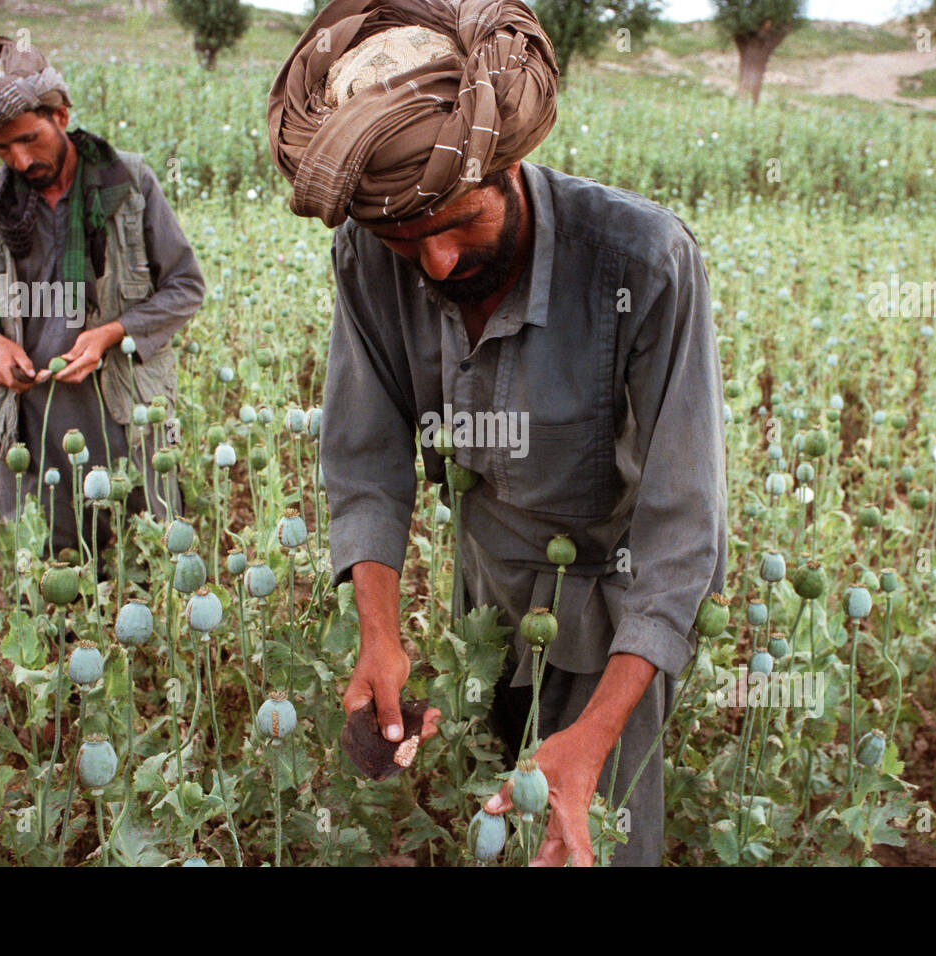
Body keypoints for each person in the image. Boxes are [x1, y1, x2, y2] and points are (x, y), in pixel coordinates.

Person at [268, 0, 727, 866]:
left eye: (454, 225)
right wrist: (379, 635)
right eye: (406, 241)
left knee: (590, 840)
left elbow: (683, 530)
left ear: (510, 164)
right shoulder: (369, 257)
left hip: (613, 608)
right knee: (481, 816)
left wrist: (593, 738)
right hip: (480, 596)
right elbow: (367, 459)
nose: (434, 263)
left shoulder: (644, 261)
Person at [0, 35, 204, 558]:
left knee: (143, 560)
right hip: (32, 420)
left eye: (29, 139)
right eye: (0, 148)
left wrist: (111, 333)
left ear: (61, 116)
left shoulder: (129, 185)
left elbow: (185, 287)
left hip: (125, 411)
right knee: (48, 570)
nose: (18, 159)